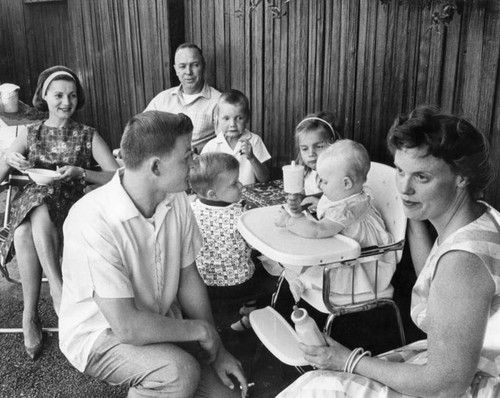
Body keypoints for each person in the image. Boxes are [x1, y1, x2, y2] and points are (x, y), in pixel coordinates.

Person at [277, 106, 500, 397]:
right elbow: (434, 283)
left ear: (461, 177)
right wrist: (415, 219)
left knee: (315, 387)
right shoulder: (477, 217)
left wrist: (348, 360)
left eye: (421, 177)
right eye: (400, 171)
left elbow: (447, 384)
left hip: (474, 382)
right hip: (462, 364)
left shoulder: (463, 261)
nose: (404, 188)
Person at [59, 111, 248, 398]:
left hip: (157, 319)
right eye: (187, 157)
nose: (194, 163)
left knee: (228, 394)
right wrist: (200, 331)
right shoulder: (92, 219)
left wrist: (217, 347)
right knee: (178, 373)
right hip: (100, 334)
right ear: (156, 167)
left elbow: (188, 278)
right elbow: (127, 328)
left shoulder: (176, 199)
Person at [0, 65, 118, 360]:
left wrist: (82, 172)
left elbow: (117, 176)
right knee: (37, 202)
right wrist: (9, 159)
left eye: (72, 96)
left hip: (72, 210)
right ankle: (54, 291)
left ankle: (32, 314)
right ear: (44, 96)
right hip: (35, 203)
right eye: (58, 95)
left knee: (25, 229)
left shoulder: (87, 134)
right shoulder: (30, 133)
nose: (66, 102)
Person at [275, 139, 394, 302]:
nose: (320, 185)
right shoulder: (355, 197)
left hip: (361, 266)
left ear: (346, 183)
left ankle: (304, 282)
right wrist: (320, 204)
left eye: (324, 181)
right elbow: (338, 214)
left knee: (307, 262)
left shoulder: (347, 210)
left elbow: (317, 230)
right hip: (345, 251)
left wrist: (289, 221)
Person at [189, 152, 265, 331]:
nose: (241, 185)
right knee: (260, 266)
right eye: (234, 184)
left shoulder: (190, 210)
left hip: (203, 283)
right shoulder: (241, 216)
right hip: (239, 285)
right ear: (212, 193)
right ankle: (249, 311)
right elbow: (256, 245)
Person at [144, 43, 221, 152]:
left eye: (194, 65)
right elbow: (140, 131)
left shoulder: (218, 102)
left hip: (197, 164)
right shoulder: (162, 99)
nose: (188, 72)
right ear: (176, 70)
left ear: (203, 66)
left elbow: (225, 145)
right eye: (182, 66)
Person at [201, 89, 270, 185]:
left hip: (247, 197)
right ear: (217, 119)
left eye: (239, 118)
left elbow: (264, 178)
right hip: (221, 198)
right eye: (226, 118)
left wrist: (252, 158)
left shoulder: (254, 141)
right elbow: (201, 177)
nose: (232, 124)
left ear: (247, 118)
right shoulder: (211, 147)